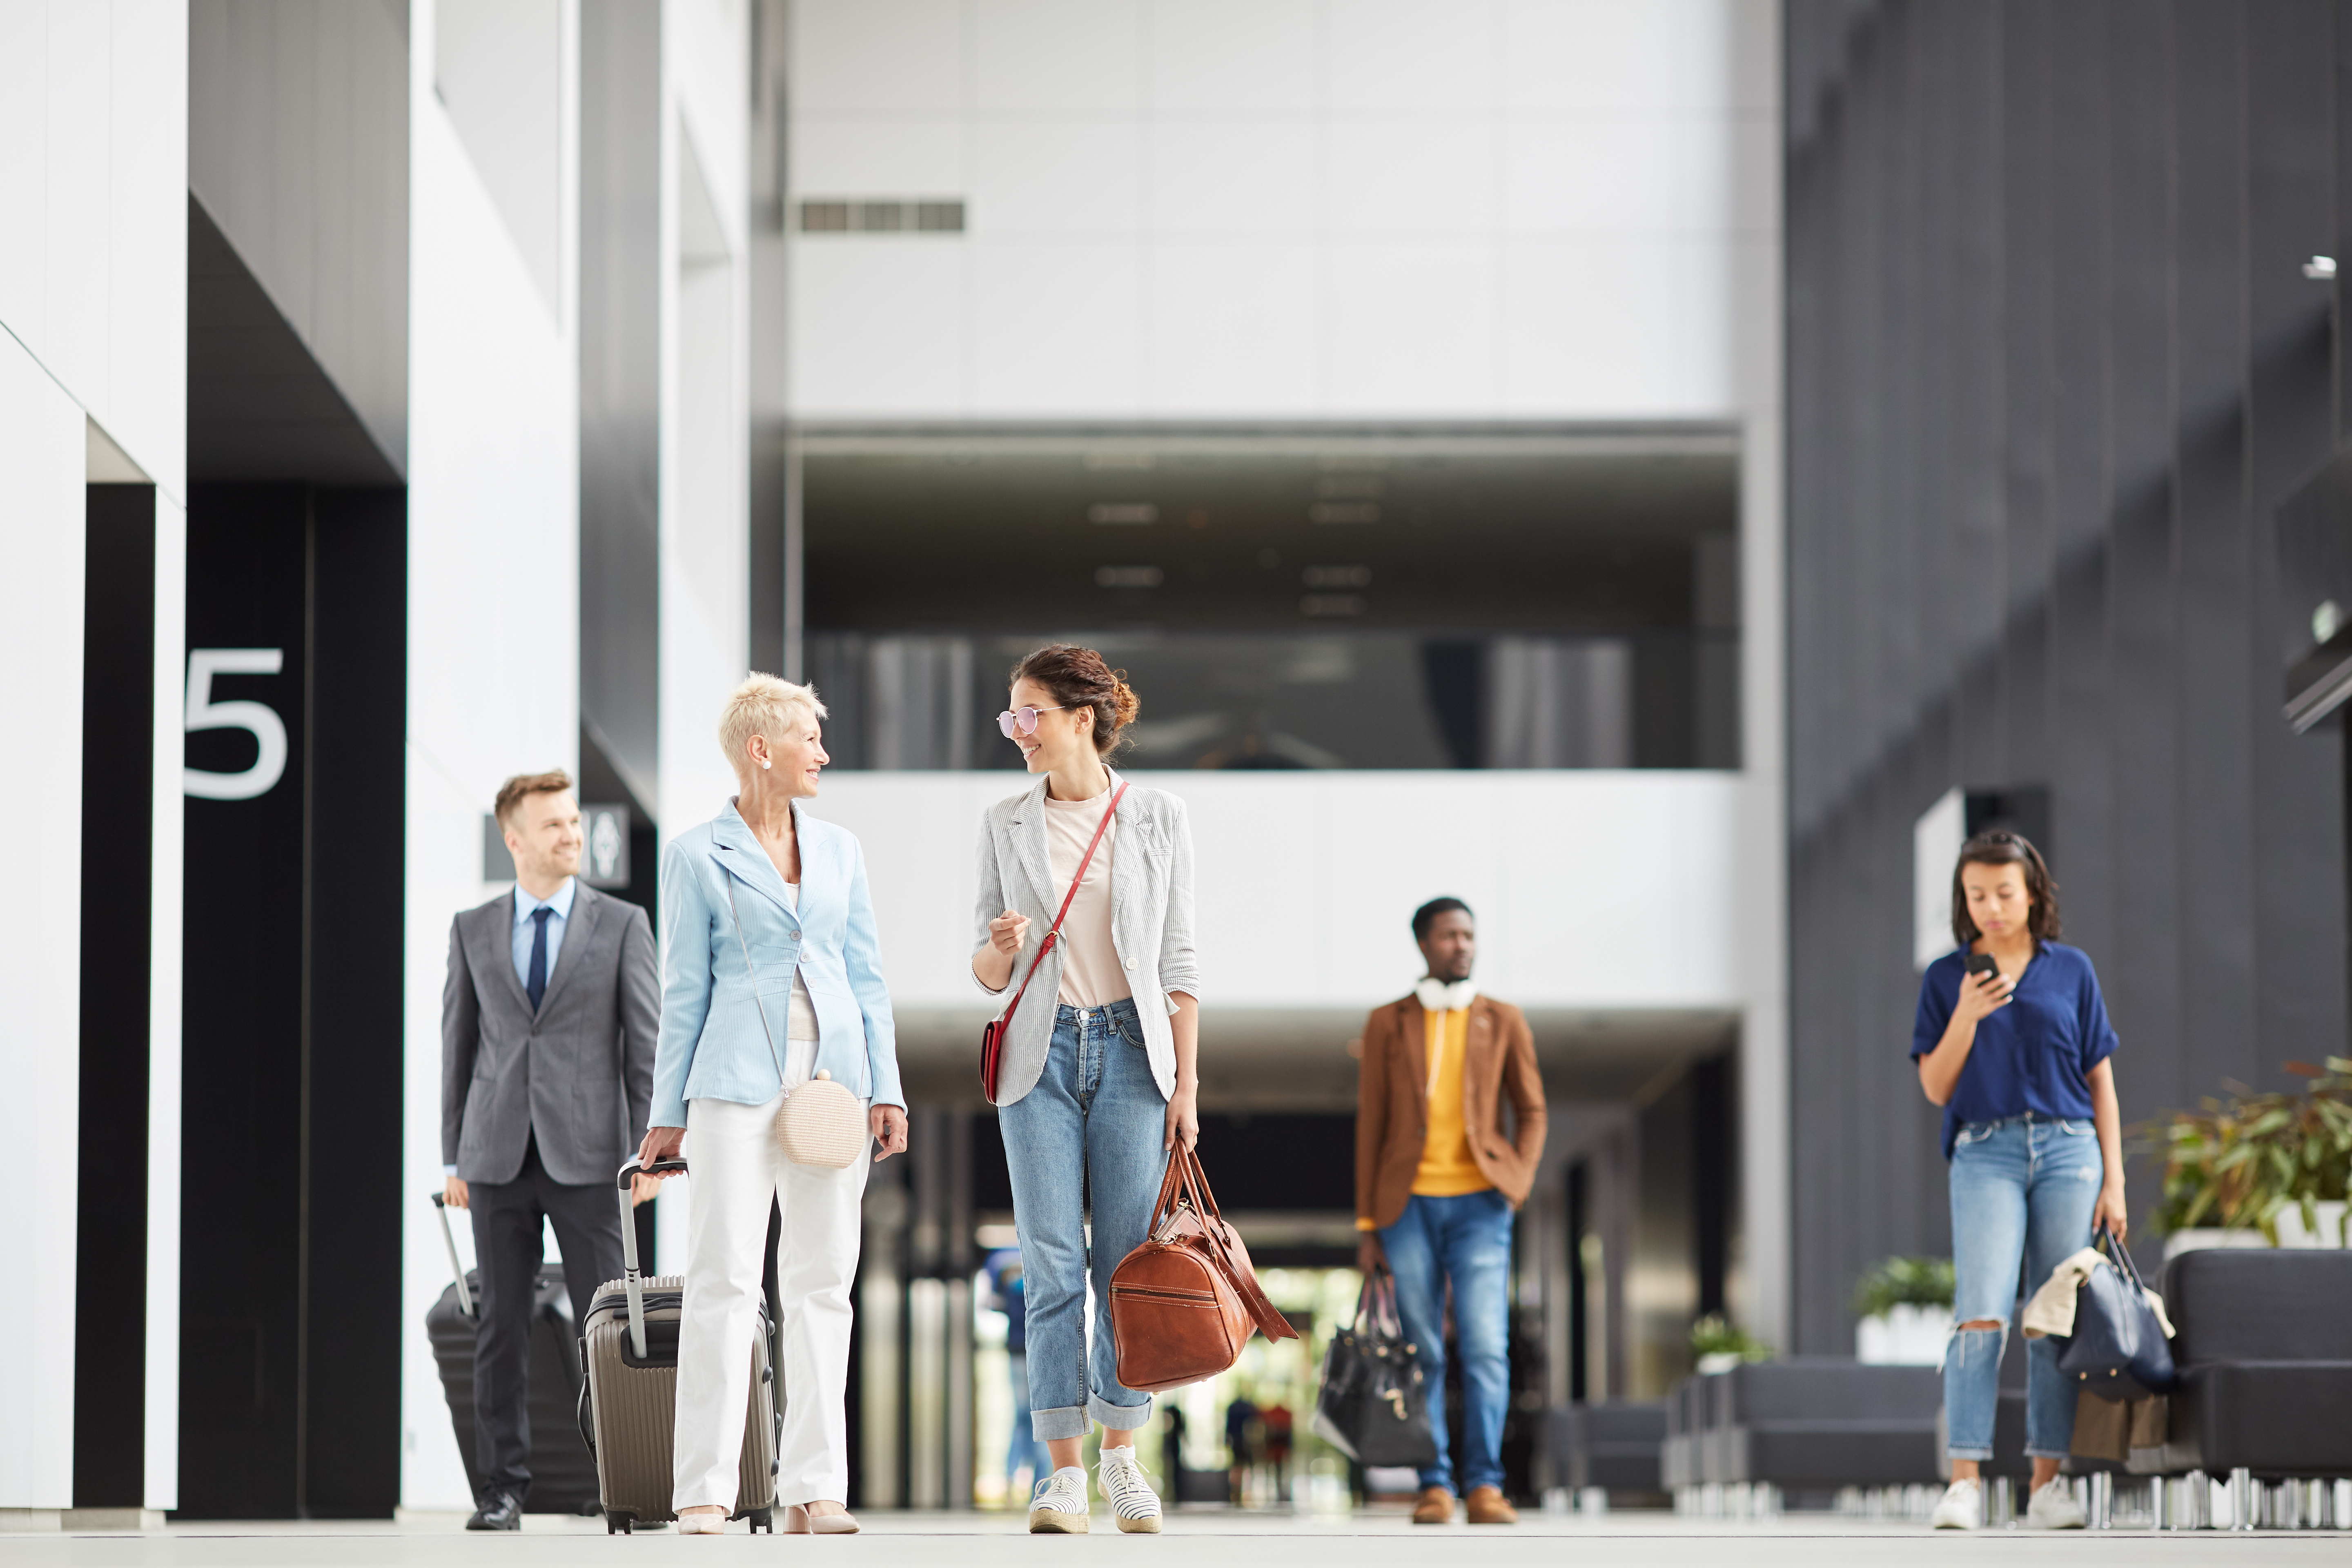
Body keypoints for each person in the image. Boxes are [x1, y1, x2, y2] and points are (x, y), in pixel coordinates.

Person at [636, 676, 909, 1536]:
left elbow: (866, 976)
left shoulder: (841, 851)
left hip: (833, 1083)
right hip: (729, 1085)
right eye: (809, 739)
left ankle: (815, 1489)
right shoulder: (693, 855)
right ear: (762, 750)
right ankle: (705, 1489)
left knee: (825, 1284)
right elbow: (683, 993)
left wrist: (886, 1086)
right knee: (723, 1280)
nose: (823, 753)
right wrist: (666, 1110)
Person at [970, 644, 1200, 1535]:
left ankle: (1121, 1459)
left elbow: (1179, 962)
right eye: (1011, 717)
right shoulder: (1004, 821)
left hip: (1134, 1054)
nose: (1017, 731)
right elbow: (987, 971)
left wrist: (1185, 1085)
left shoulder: (1157, 817)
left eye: (1029, 714)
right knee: (1053, 1267)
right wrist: (1000, 944)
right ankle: (1062, 1475)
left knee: (1125, 1270)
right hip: (1040, 1056)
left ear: (1080, 718)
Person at [441, 769, 659, 1531]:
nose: (573, 835)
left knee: (605, 1325)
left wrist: (649, 1154)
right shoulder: (473, 929)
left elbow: (646, 1048)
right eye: (555, 826)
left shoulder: (622, 924)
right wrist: (452, 1159)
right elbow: (458, 1047)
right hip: (495, 1154)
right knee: (499, 1325)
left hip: (592, 1155)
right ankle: (501, 1488)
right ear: (514, 839)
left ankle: (624, 1480)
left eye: (573, 822)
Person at [1915, 831, 2127, 1532]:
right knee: (1980, 1311)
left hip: (2071, 1150)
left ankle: (2047, 1484)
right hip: (1986, 1152)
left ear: (2033, 892)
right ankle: (1966, 1482)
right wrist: (1968, 1018)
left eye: (2005, 892)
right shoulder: (1948, 978)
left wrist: (2115, 1179)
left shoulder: (2073, 970)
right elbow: (1937, 1086)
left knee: (2053, 1318)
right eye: (1978, 895)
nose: (1992, 908)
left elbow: (2101, 1079)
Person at [1353, 897, 1546, 1526]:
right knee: (1424, 1350)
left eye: (1469, 935)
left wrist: (1514, 1181)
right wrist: (1367, 1225)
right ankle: (1435, 1484)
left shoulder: (1503, 1018)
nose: (1463, 945)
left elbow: (1532, 1110)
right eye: (1449, 935)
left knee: (1488, 1346)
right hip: (1405, 1206)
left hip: (1482, 1206)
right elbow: (1372, 1125)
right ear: (1424, 945)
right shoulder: (1389, 1022)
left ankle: (1486, 1485)